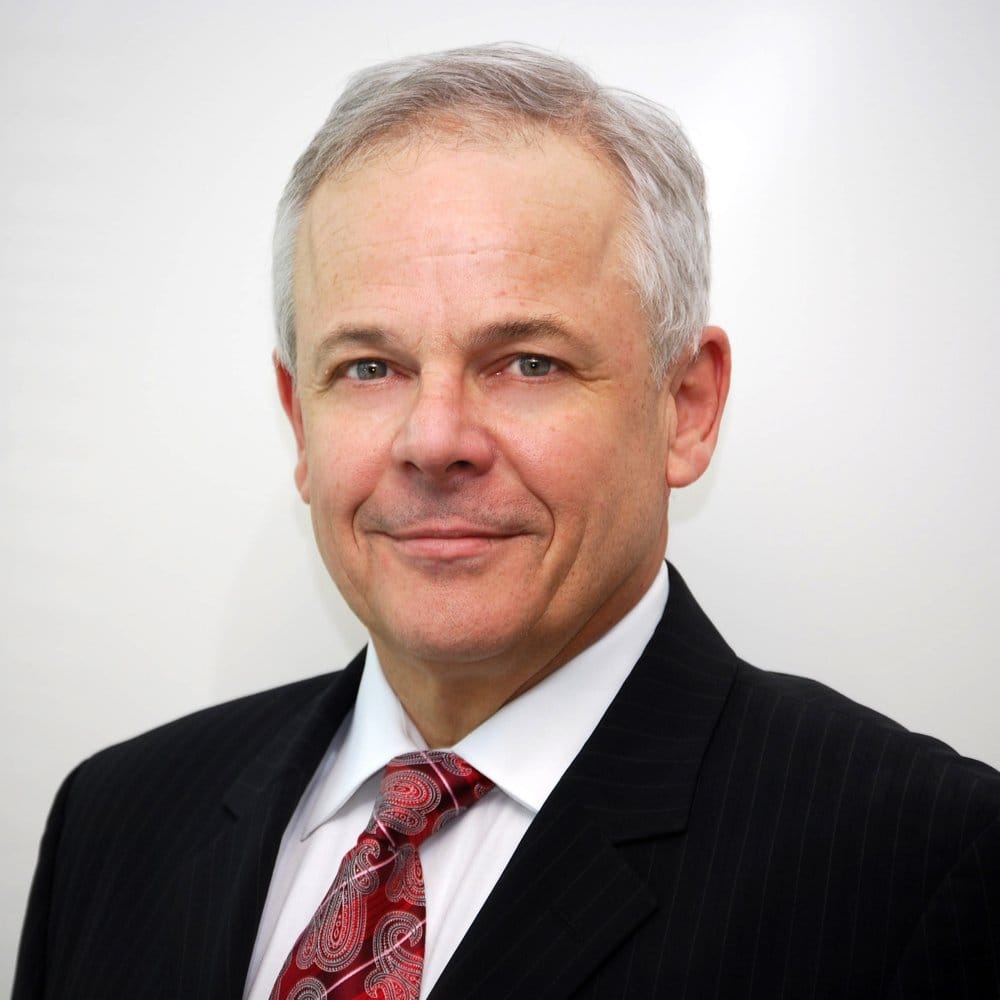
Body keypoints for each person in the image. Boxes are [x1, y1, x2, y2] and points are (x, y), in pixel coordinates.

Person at [14, 43, 1000, 1000]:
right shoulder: (116, 819)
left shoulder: (917, 864)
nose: (435, 439)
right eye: (369, 367)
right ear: (299, 422)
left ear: (686, 406)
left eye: (528, 362)